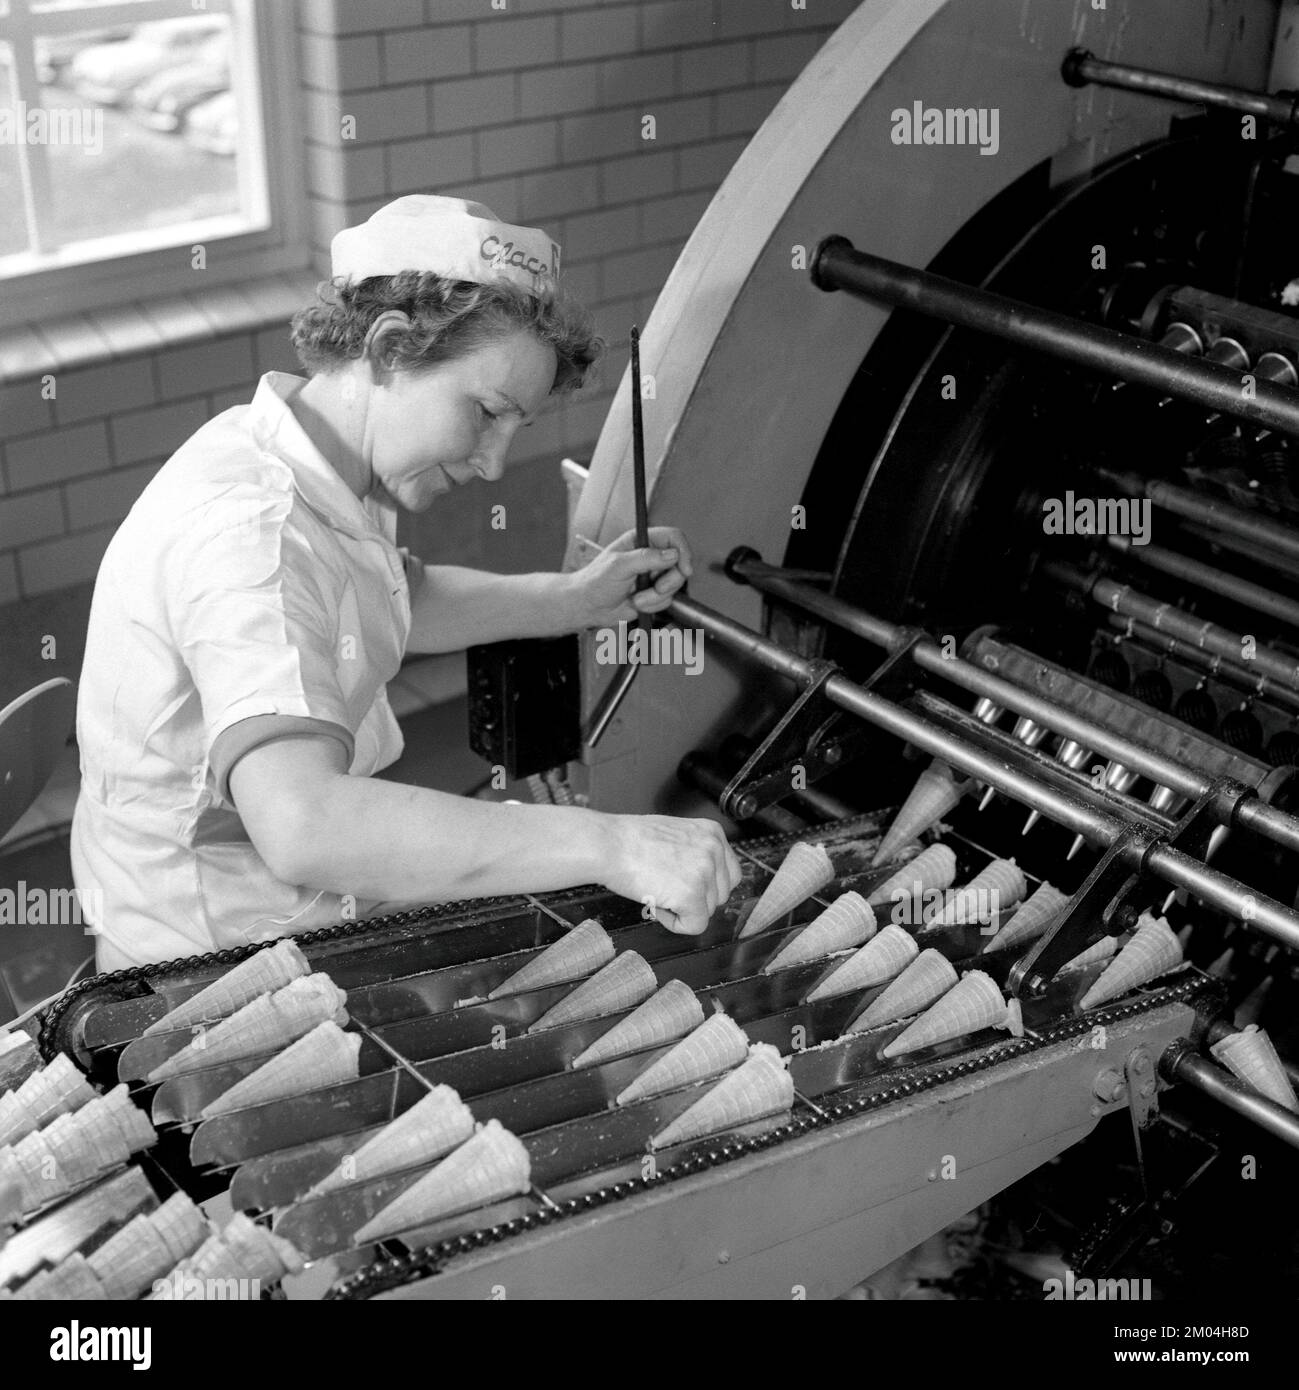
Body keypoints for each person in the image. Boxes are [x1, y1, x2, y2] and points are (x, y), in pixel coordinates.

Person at [70, 195, 740, 970]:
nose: (493, 463)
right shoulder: (248, 536)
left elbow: (393, 601)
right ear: (389, 350)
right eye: (486, 412)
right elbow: (306, 822)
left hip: (286, 911)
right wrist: (612, 842)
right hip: (211, 960)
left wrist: (578, 599)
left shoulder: (318, 463)